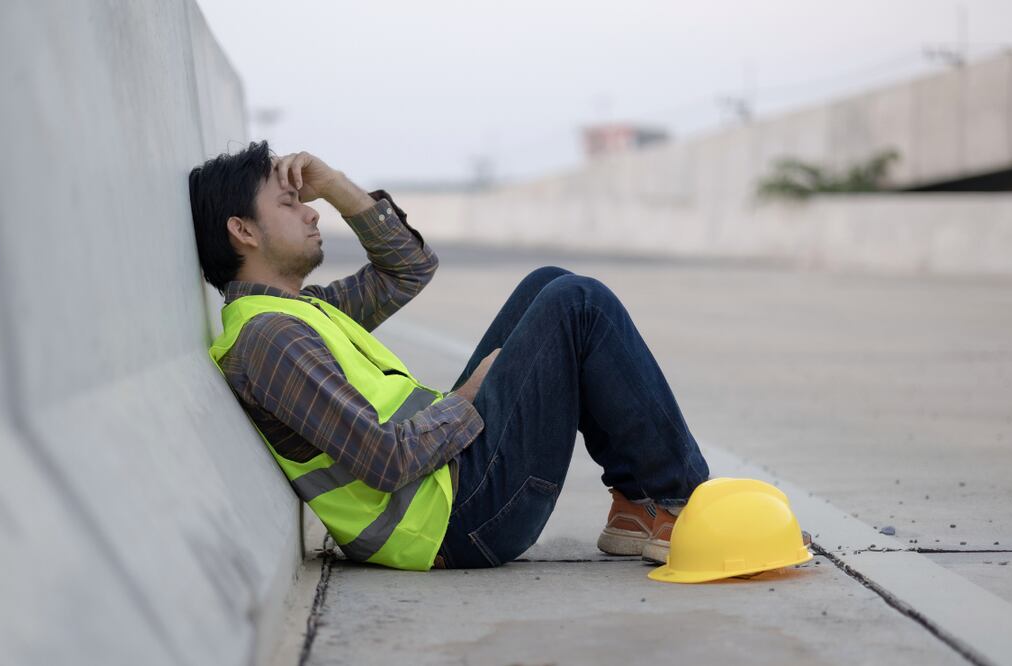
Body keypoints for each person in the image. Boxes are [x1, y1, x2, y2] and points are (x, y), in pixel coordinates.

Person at [188, 141, 710, 570]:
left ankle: (636, 506)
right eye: (289, 204)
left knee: (547, 283)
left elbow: (408, 268)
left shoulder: (300, 312)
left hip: (451, 486)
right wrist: (468, 396)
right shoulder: (270, 340)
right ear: (243, 230)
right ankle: (684, 506)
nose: (311, 210)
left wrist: (336, 185)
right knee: (579, 302)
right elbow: (385, 460)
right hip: (454, 520)